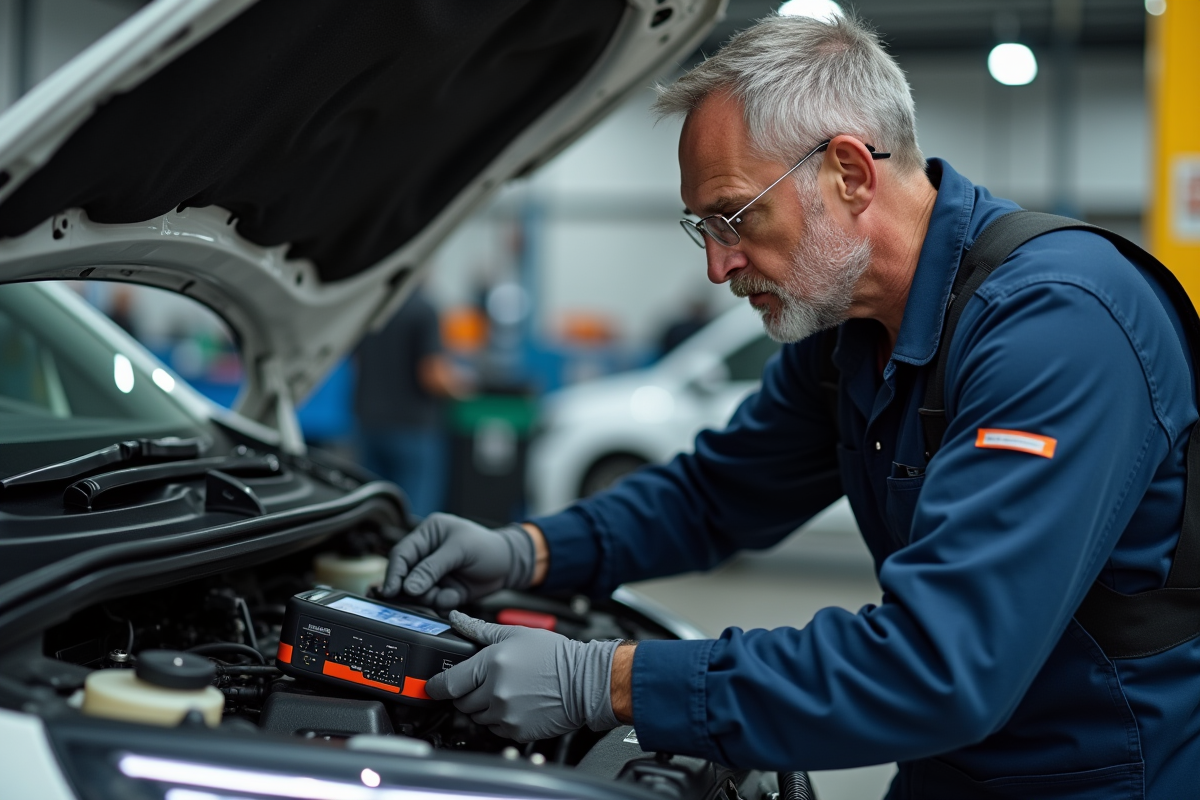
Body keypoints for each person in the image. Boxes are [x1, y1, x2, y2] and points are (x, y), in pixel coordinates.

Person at [380, 14, 1200, 798]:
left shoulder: (1057, 326)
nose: (718, 264)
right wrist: (524, 551)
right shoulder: (848, 330)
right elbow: (716, 494)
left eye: (733, 216)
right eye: (699, 226)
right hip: (953, 770)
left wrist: (611, 680)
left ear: (849, 172)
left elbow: (943, 666)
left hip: (1105, 777)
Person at [354, 286, 468, 517]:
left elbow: (355, 361)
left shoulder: (372, 308)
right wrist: (462, 387)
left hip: (369, 424)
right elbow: (432, 375)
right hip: (412, 428)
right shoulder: (424, 309)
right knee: (414, 516)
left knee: (375, 510)